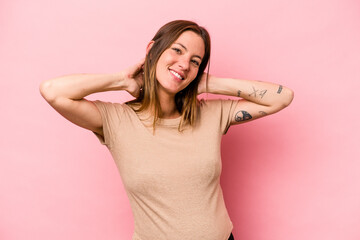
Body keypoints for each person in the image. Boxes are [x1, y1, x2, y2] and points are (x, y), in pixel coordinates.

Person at [40, 20, 294, 240]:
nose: (184, 64)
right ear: (153, 50)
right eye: (177, 50)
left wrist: (208, 82)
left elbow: (281, 97)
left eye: (194, 61)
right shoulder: (116, 119)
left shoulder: (211, 114)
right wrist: (121, 80)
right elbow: (53, 91)